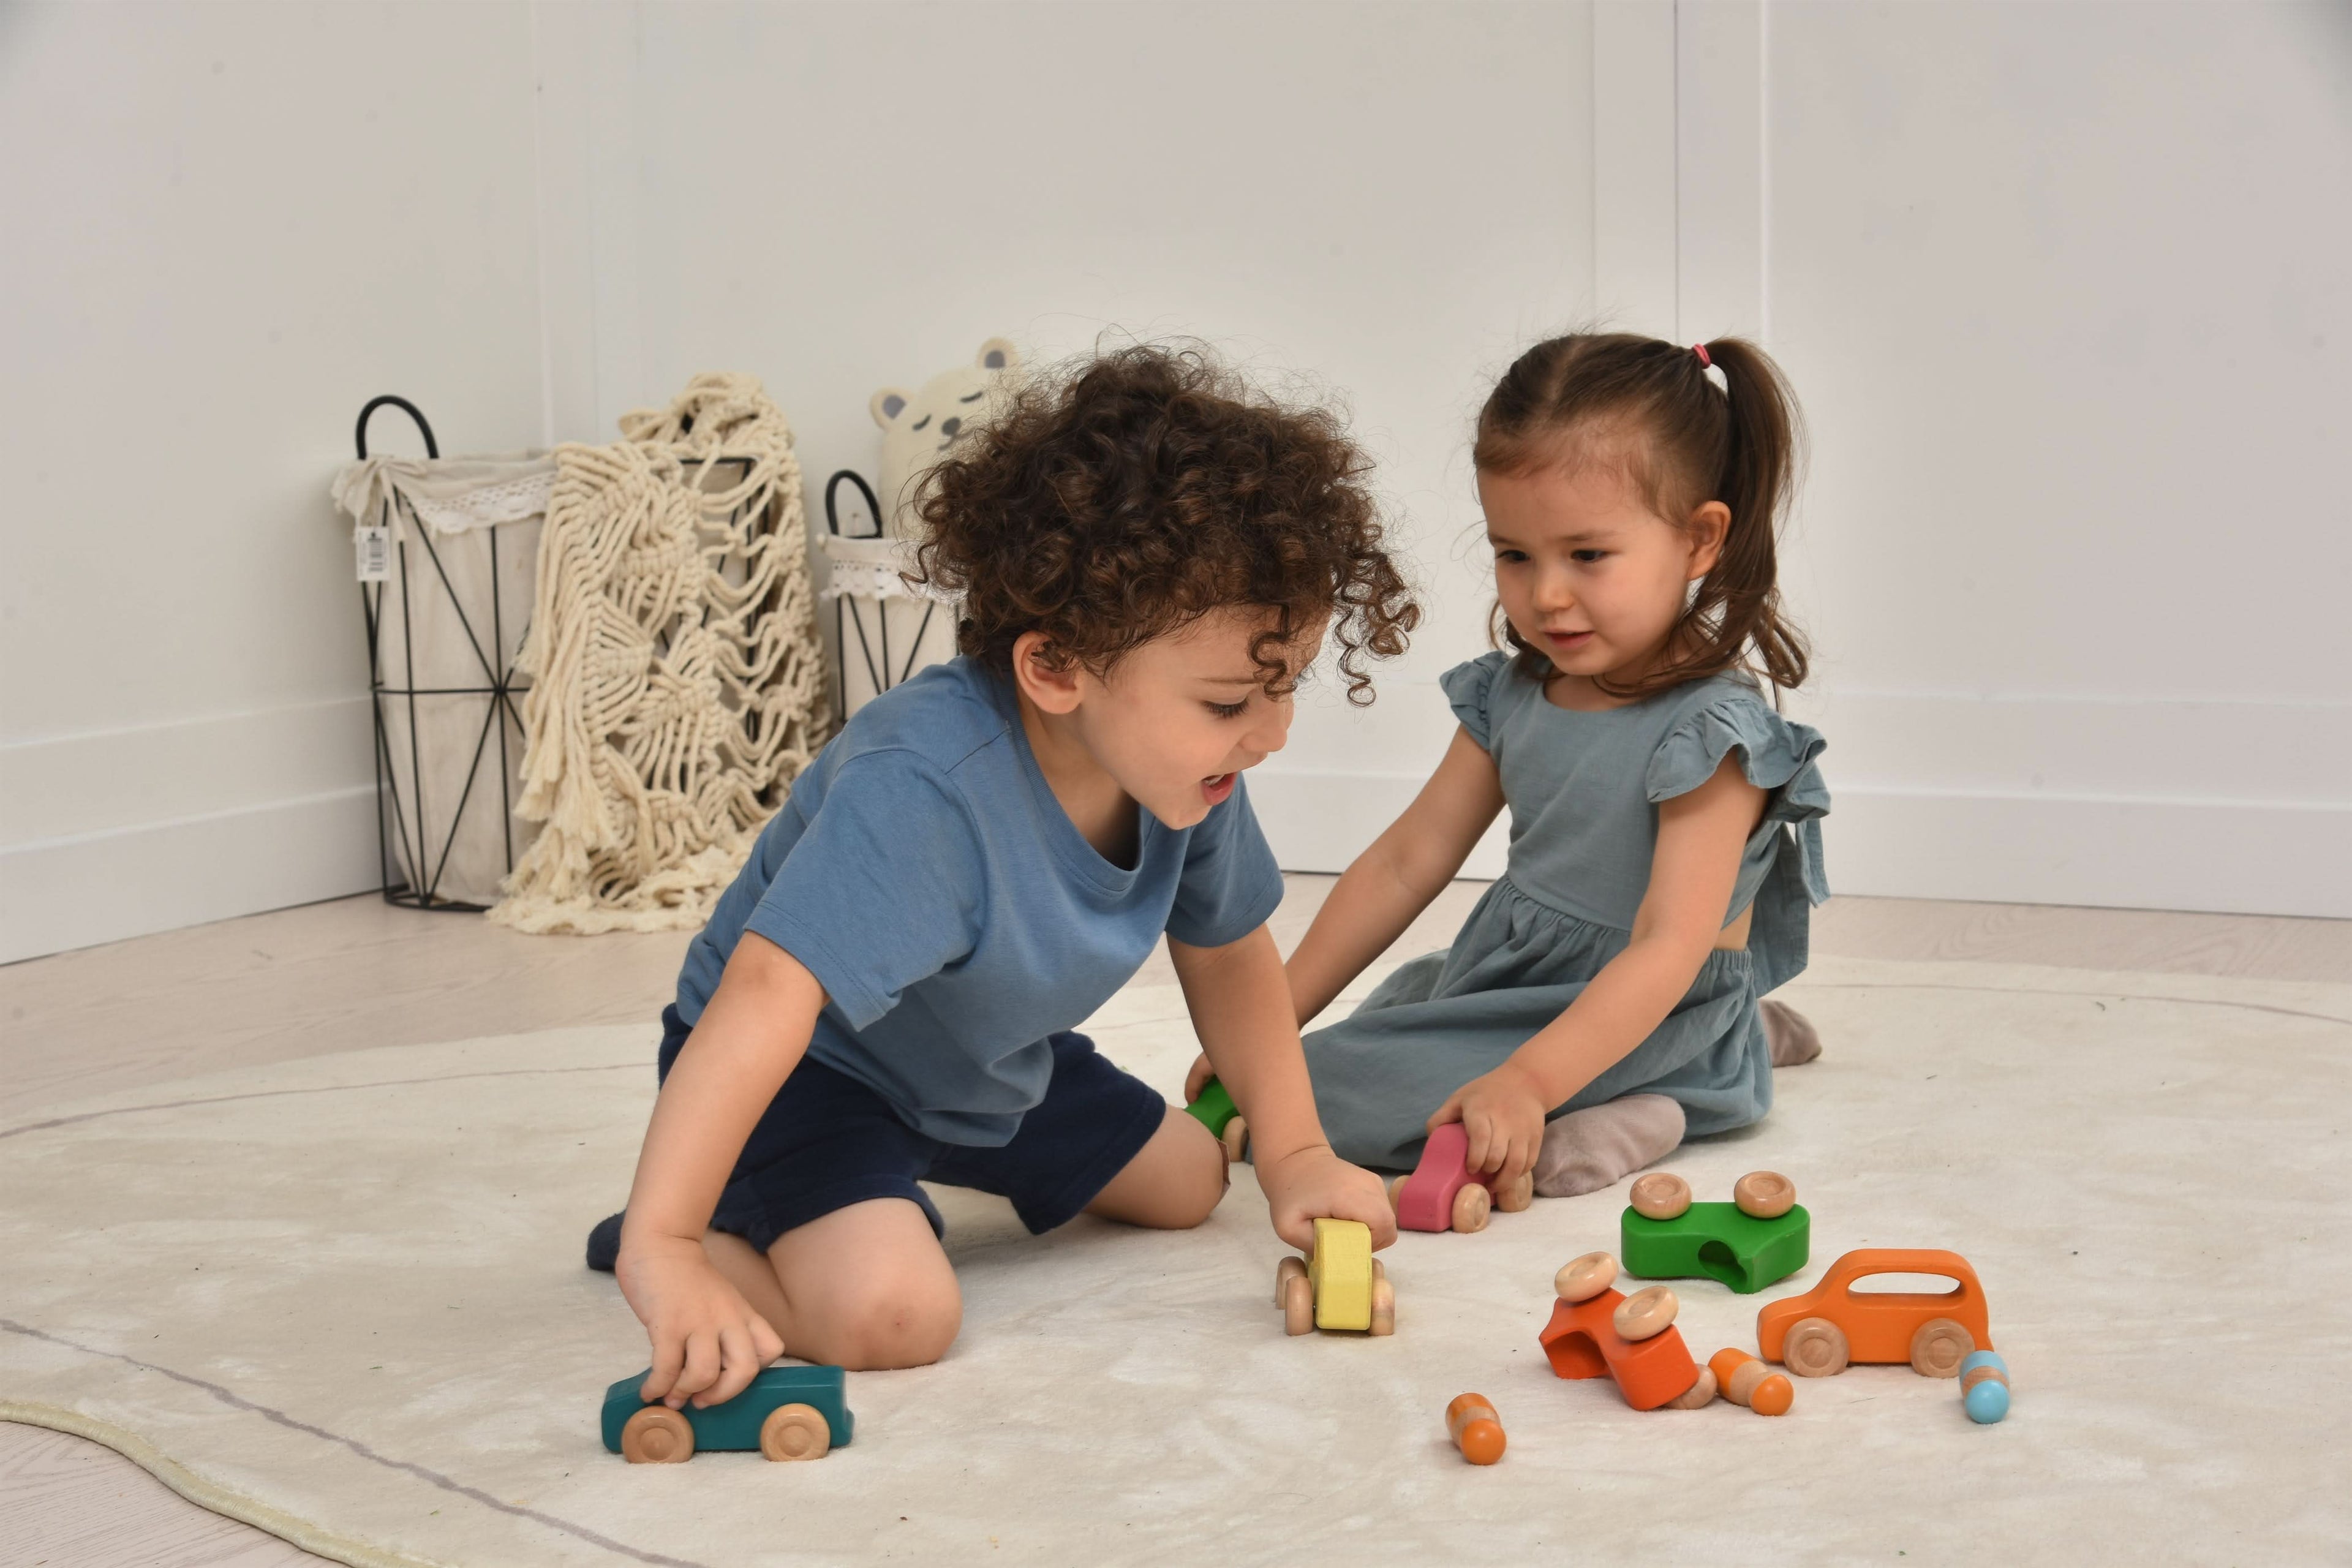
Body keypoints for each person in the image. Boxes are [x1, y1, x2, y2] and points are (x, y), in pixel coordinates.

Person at [589, 344, 1415, 1412]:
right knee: (898, 1318)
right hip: (808, 1076)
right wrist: (669, 1242)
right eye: (1228, 704)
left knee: (1191, 1182)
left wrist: (1298, 1151)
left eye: (1287, 687)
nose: (1272, 735)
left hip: (982, 1062)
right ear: (1058, 667)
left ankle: (879, 1183)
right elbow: (762, 1000)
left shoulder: (1188, 776)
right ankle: (694, 1229)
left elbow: (1228, 950)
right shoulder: (925, 786)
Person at [1212, 332, 1828, 1200]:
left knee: (1337, 1108)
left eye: (1587, 556)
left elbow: (1667, 946)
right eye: (1514, 555)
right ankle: (1736, 1045)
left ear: (1698, 541)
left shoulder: (1715, 737)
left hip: (1656, 995)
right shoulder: (1513, 693)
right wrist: (1268, 1024)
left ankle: (1704, 1078)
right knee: (1355, 1038)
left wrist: (1530, 1081)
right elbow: (1404, 863)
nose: (1545, 595)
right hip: (1519, 976)